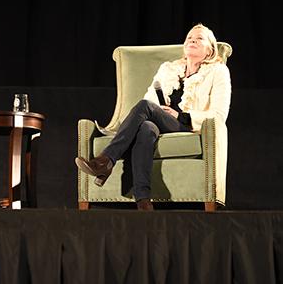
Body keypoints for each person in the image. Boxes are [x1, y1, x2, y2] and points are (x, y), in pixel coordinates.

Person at [75, 23, 231, 210]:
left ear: (210, 50)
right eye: (189, 37)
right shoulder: (168, 69)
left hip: (187, 126)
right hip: (160, 120)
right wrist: (159, 112)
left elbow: (219, 114)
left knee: (144, 106)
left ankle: (106, 160)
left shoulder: (218, 71)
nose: (192, 40)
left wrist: (181, 116)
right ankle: (143, 200)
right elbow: (151, 99)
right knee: (146, 128)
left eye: (199, 38)